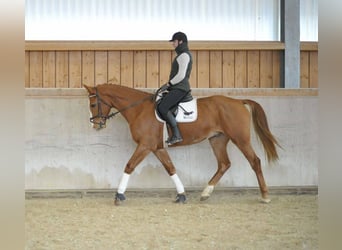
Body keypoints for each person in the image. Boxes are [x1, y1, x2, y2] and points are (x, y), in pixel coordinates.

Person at [157, 31, 193, 145]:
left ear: (180, 41)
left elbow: (181, 75)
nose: (173, 44)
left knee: (162, 107)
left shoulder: (184, 55)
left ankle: (176, 135)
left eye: (174, 42)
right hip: (177, 87)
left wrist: (168, 84)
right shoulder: (182, 55)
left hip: (180, 88)